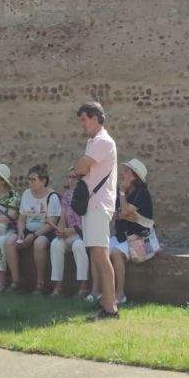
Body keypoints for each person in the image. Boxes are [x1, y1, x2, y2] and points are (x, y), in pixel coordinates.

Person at [69, 101, 119, 319]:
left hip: (98, 205)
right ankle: (107, 304)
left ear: (96, 117)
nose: (82, 125)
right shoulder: (96, 142)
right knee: (97, 255)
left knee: (100, 255)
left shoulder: (101, 141)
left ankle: (110, 308)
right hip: (94, 205)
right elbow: (80, 167)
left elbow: (79, 167)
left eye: (84, 119)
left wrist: (80, 165)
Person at [109, 158, 159, 306]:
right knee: (98, 251)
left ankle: (120, 294)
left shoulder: (142, 194)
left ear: (134, 176)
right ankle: (100, 291)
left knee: (116, 253)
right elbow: (116, 214)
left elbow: (123, 212)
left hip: (138, 240)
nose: (123, 173)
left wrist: (122, 194)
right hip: (123, 237)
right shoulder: (125, 193)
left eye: (126, 171)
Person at [12, 164, 61, 292]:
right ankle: (15, 281)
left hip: (45, 231)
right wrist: (21, 232)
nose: (30, 183)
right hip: (27, 229)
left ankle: (40, 282)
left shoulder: (52, 197)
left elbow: (51, 223)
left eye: (33, 179)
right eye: (29, 179)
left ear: (43, 181)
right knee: (8, 241)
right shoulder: (27, 194)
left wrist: (33, 236)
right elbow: (21, 218)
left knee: (39, 244)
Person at [49, 173, 90, 297]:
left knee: (78, 245)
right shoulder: (66, 195)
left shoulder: (87, 195)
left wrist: (72, 231)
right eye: (68, 177)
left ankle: (83, 286)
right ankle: (58, 285)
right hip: (69, 233)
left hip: (84, 234)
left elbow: (88, 221)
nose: (70, 180)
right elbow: (62, 218)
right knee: (56, 244)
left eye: (73, 177)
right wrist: (60, 230)